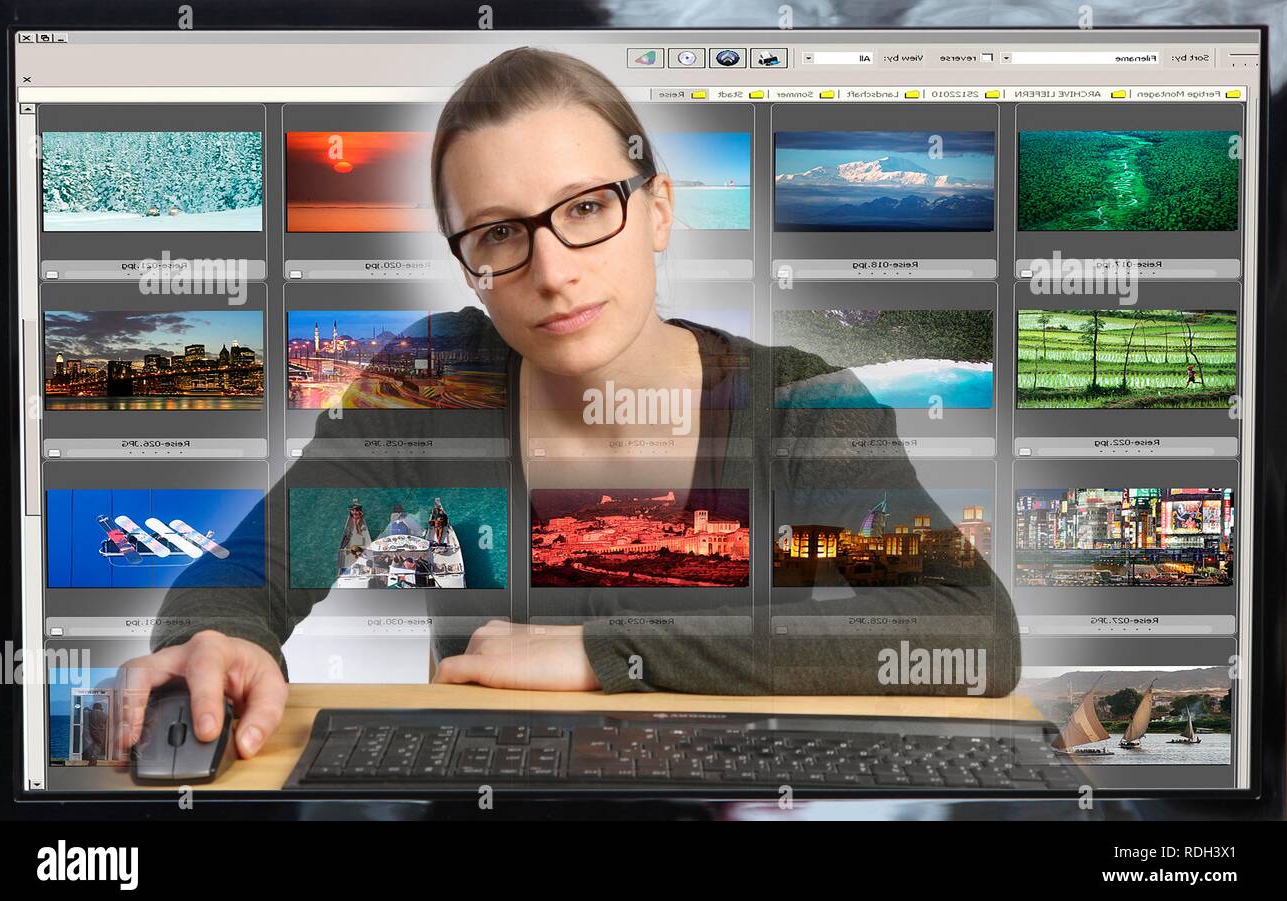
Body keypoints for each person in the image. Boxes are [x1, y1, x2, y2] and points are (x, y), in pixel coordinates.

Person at [116, 47, 1020, 761]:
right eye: (502, 233)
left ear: (658, 208)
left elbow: (971, 633)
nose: (553, 272)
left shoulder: (796, 405)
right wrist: (214, 643)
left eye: (586, 208)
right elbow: (254, 575)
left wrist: (608, 654)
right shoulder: (435, 385)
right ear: (470, 267)